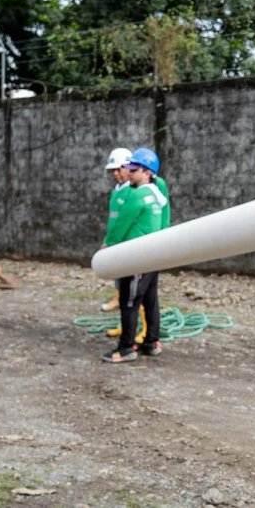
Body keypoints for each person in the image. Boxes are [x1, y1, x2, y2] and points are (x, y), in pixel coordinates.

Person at [100, 147, 168, 363]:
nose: (128, 173)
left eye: (133, 169)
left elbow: (121, 226)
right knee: (150, 299)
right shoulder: (157, 195)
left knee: (129, 301)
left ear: (146, 172)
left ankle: (126, 347)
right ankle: (151, 341)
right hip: (153, 255)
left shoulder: (138, 196)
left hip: (136, 257)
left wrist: (108, 246)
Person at [99, 147, 133, 313]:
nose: (115, 174)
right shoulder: (117, 191)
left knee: (128, 275)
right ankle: (118, 297)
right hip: (115, 238)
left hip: (126, 239)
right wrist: (108, 238)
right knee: (119, 272)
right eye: (113, 170)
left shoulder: (132, 191)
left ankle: (126, 301)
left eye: (119, 169)